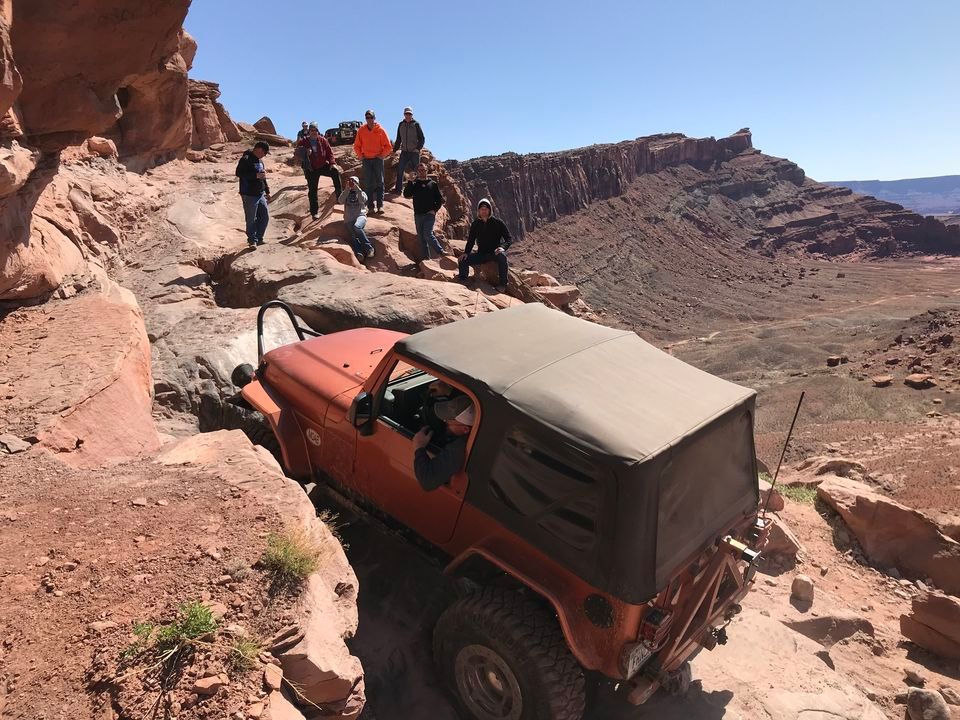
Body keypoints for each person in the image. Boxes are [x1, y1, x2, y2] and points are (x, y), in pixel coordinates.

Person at [412, 395, 474, 491]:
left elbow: (427, 481)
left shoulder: (460, 448)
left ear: (465, 429)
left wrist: (419, 447)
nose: (443, 421)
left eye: (448, 421)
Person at [458, 198, 512, 291]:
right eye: (481, 209)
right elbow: (471, 240)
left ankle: (503, 284)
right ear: (478, 210)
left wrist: (502, 247)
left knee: (502, 257)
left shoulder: (498, 223)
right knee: (462, 260)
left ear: (490, 210)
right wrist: (466, 252)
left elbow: (509, 238)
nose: (484, 211)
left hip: (494, 253)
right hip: (481, 254)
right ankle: (464, 280)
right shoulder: (475, 224)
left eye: (486, 209)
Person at [297, 122, 342, 219]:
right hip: (311, 168)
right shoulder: (304, 141)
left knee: (335, 172)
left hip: (322, 165)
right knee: (312, 191)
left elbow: (329, 153)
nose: (313, 132)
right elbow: (297, 153)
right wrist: (305, 152)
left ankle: (339, 196)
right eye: (312, 130)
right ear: (309, 131)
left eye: (315, 130)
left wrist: (332, 163)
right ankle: (314, 213)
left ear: (318, 131)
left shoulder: (323, 140)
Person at [403, 162, 446, 260]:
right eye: (420, 170)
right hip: (418, 215)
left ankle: (440, 251)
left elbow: (439, 200)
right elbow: (406, 195)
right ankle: (426, 260)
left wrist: (434, 210)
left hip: (429, 215)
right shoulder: (415, 184)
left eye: (423, 170)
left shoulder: (432, 184)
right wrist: (410, 181)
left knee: (427, 234)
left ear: (427, 171)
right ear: (417, 172)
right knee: (422, 239)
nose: (422, 172)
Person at [353, 109, 392, 214]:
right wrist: (361, 156)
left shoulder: (380, 130)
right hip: (366, 160)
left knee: (380, 182)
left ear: (374, 118)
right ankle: (370, 207)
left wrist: (381, 156)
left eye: (371, 117)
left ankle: (380, 206)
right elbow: (356, 146)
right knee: (368, 184)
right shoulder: (361, 130)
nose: (369, 119)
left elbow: (388, 146)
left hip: (377, 160)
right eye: (367, 117)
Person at [235, 141, 271, 247]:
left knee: (264, 216)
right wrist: (255, 175)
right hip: (248, 193)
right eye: (264, 153)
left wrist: (267, 191)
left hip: (260, 193)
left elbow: (263, 177)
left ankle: (259, 238)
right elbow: (239, 173)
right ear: (259, 149)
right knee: (251, 218)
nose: (264, 155)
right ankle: (252, 240)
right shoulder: (245, 159)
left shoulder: (260, 161)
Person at [338, 175, 375, 262]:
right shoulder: (346, 192)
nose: (352, 184)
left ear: (358, 184)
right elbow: (340, 200)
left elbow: (363, 200)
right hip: (348, 219)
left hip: (360, 216)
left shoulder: (361, 192)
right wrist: (347, 189)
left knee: (357, 227)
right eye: (350, 181)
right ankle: (359, 254)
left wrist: (358, 189)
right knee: (353, 236)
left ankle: (369, 248)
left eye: (354, 182)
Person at [392, 106, 425, 194]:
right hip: (404, 152)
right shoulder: (401, 124)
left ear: (412, 115)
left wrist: (418, 148)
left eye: (409, 114)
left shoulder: (416, 124)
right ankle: (398, 189)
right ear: (404, 114)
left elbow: (422, 138)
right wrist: (394, 150)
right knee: (400, 169)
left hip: (414, 152)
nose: (408, 115)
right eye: (406, 113)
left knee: (417, 171)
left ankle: (418, 190)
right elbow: (398, 138)